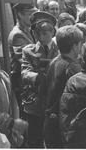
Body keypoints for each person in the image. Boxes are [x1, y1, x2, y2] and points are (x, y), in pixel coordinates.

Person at [21, 12, 59, 147]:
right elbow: (25, 73)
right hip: (35, 102)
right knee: (34, 138)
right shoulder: (28, 51)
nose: (43, 36)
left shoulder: (60, 49)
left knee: (53, 139)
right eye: (40, 33)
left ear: (53, 32)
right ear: (35, 34)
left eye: (47, 32)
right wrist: (39, 77)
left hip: (54, 101)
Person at [43, 25, 83, 148]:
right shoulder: (72, 68)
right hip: (62, 127)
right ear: (75, 46)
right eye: (80, 44)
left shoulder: (54, 61)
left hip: (50, 122)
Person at [8, 4, 37, 118]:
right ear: (20, 14)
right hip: (21, 81)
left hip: (28, 79)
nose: (33, 18)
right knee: (26, 114)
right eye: (30, 14)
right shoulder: (17, 34)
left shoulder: (28, 30)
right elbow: (26, 59)